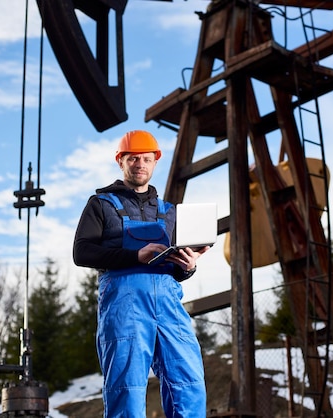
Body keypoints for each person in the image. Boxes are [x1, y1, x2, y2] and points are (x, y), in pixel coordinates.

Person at [73, 130, 209, 418]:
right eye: (133, 158)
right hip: (125, 306)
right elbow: (82, 252)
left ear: (155, 162)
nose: (140, 164)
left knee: (189, 383)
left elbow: (177, 268)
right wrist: (136, 255)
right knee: (127, 391)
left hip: (169, 306)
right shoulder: (101, 204)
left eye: (147, 158)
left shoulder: (170, 211)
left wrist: (188, 266)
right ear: (120, 161)